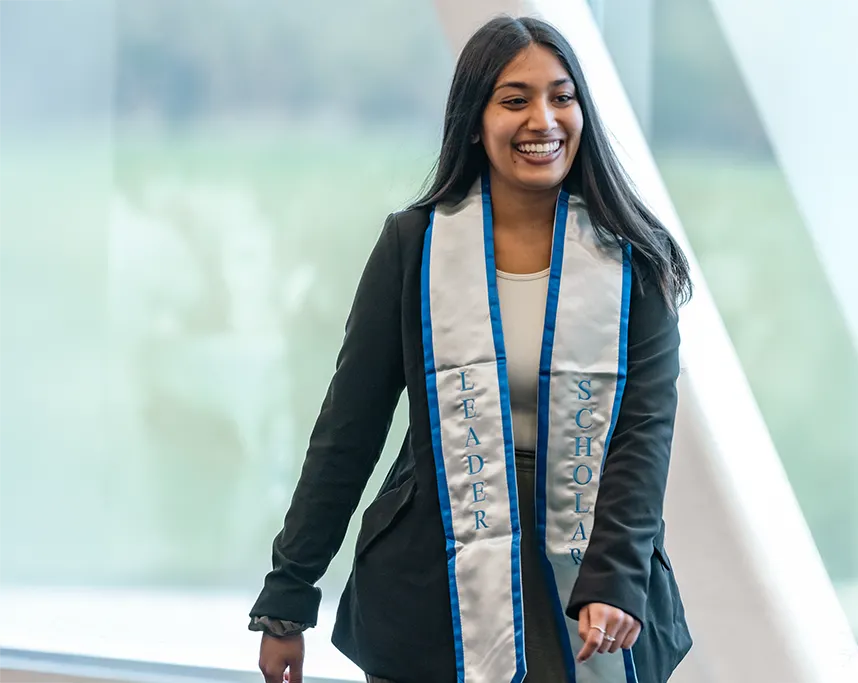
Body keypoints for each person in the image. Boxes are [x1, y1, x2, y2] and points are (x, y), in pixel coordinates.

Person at [250, 15, 693, 683]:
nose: (542, 119)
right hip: (435, 576)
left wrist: (617, 575)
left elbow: (644, 435)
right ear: (475, 117)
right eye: (514, 99)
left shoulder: (634, 260)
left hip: (587, 574)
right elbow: (349, 430)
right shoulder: (414, 247)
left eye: (561, 96)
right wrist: (288, 596)